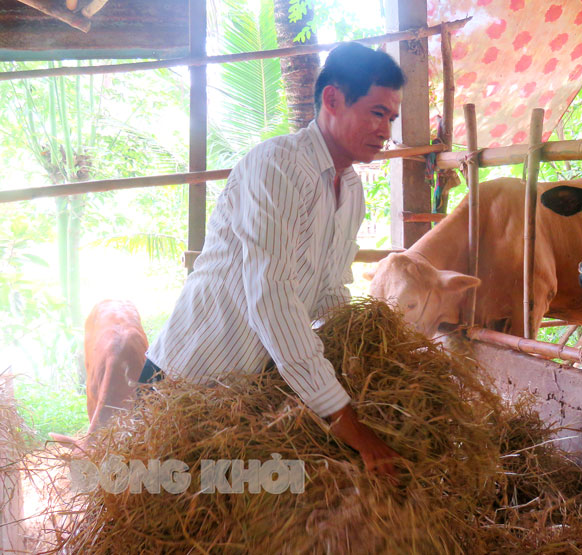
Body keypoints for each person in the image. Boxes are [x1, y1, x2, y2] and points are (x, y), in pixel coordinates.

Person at [141, 42, 405, 477]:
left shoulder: (350, 190)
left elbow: (330, 289)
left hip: (250, 397)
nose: (386, 130)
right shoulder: (278, 167)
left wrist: (356, 360)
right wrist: (347, 421)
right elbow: (274, 297)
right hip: (187, 388)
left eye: (391, 118)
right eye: (377, 112)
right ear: (332, 99)